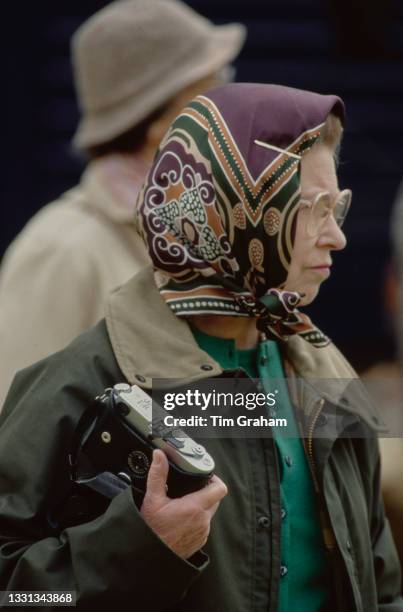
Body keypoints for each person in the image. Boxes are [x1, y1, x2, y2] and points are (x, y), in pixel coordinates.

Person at [0, 83, 402, 611]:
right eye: (312, 209)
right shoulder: (78, 385)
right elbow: (18, 597)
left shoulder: (327, 383)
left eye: (338, 207)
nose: (336, 236)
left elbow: (381, 586)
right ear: (229, 212)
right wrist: (139, 548)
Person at [0, 0, 245, 408]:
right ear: (162, 126)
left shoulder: (214, 235)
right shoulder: (63, 250)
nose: (234, 111)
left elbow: (229, 414)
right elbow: (15, 431)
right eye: (214, 89)